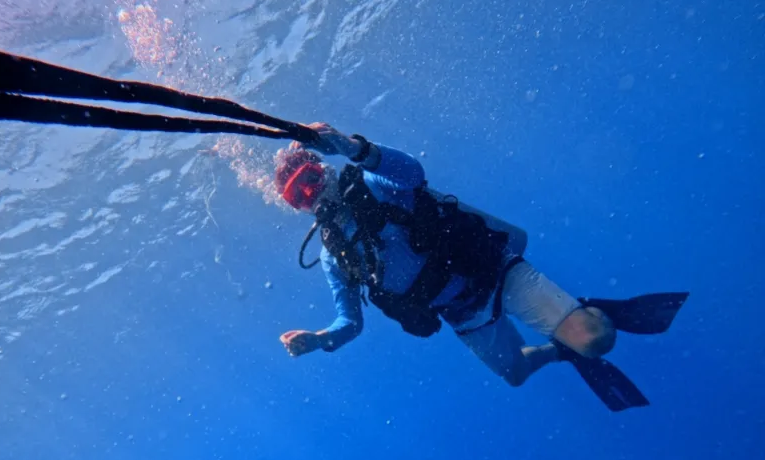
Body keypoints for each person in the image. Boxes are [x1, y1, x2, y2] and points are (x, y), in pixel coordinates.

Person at [276, 123, 688, 412]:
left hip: (496, 271)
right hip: (464, 314)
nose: (313, 195)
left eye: (311, 179)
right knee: (517, 374)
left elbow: (412, 173)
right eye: (300, 196)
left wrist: (352, 147)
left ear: (323, 166)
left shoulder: (371, 182)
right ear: (296, 208)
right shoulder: (333, 256)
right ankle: (558, 350)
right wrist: (321, 338)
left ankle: (584, 316)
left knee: (594, 340)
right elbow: (349, 322)